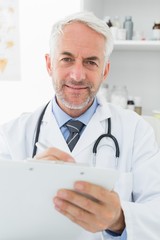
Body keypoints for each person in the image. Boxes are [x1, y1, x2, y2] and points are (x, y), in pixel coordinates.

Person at [0, 11, 160, 240]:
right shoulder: (11, 135)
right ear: (49, 64)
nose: (77, 75)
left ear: (104, 70)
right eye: (66, 59)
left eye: (91, 62)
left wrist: (119, 218)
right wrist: (26, 185)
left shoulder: (137, 131)